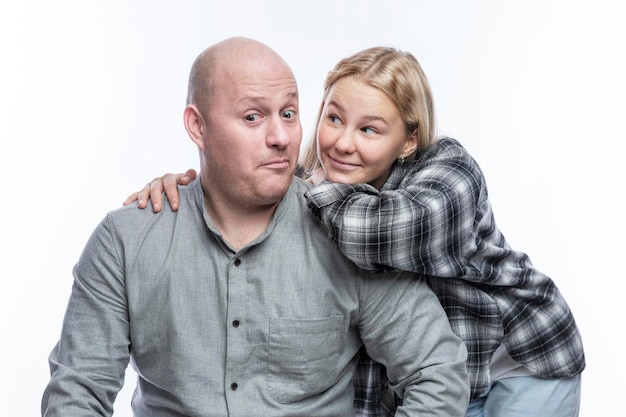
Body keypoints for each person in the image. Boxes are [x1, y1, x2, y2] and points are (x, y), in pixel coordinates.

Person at [131, 46, 586, 416]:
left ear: (409, 140)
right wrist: (201, 187)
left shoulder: (451, 174)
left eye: (369, 129)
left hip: (521, 357)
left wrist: (280, 187)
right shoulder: (322, 183)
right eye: (334, 119)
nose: (343, 142)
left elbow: (376, 233)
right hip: (446, 370)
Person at [42, 37, 470, 417]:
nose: (282, 137)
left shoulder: (353, 233)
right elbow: (78, 391)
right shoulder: (125, 240)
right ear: (198, 126)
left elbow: (437, 374)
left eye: (289, 113)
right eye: (252, 118)